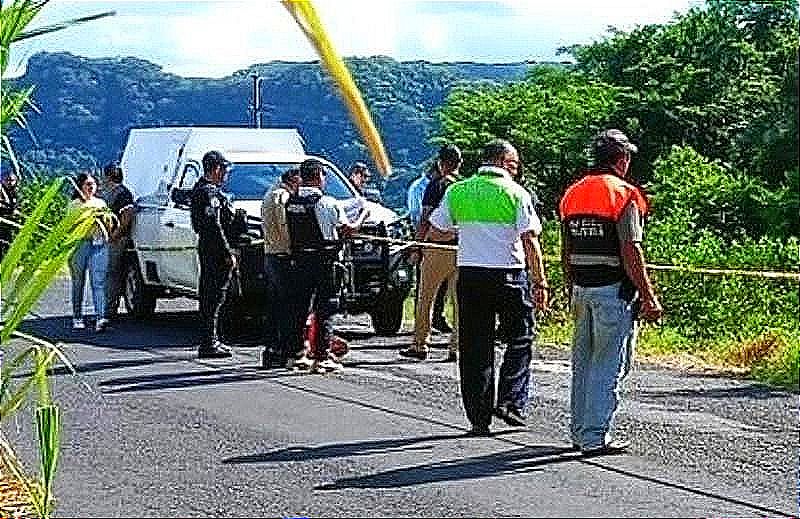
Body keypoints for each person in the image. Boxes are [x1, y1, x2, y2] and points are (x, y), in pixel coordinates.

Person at [428, 139, 549, 436]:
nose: (517, 169)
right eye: (515, 163)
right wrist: (540, 281)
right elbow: (530, 241)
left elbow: (437, 231)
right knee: (521, 337)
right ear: (505, 163)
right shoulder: (515, 193)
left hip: (470, 276)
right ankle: (509, 401)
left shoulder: (458, 190)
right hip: (509, 276)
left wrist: (468, 233)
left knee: (474, 346)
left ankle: (478, 419)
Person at [559, 129, 663, 454]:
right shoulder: (624, 194)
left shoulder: (572, 193)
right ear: (622, 160)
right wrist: (648, 296)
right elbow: (631, 249)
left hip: (581, 289)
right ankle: (594, 437)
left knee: (584, 364)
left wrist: (569, 285)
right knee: (608, 364)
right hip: (612, 292)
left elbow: (566, 248)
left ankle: (579, 433)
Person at [285, 159, 367, 373]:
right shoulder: (326, 203)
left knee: (299, 307)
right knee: (325, 308)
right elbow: (347, 230)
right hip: (324, 260)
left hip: (299, 259)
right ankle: (321, 356)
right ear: (319, 176)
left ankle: (296, 354)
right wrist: (362, 217)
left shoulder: (292, 201)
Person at [400, 144, 462, 362]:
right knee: (458, 300)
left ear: (440, 162)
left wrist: (417, 245)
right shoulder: (463, 187)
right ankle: (456, 346)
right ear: (459, 163)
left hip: (436, 247)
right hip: (460, 248)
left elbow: (425, 218)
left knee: (425, 297)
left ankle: (420, 343)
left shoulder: (436, 186)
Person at [190, 151, 236, 359]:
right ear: (216, 168)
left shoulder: (206, 190)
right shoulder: (207, 192)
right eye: (225, 169)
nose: (226, 174)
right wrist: (227, 252)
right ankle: (209, 342)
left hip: (210, 247)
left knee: (214, 296)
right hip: (214, 250)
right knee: (213, 296)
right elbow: (213, 226)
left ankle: (212, 339)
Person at [260, 167, 303, 369]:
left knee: (274, 305)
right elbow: (284, 224)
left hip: (270, 254)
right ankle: (282, 349)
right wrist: (293, 248)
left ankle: (272, 348)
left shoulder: (270, 192)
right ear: (293, 181)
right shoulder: (282, 196)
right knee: (286, 306)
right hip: (281, 255)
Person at [406, 160, 450, 333]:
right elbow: (419, 216)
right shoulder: (419, 187)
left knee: (443, 286)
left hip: (441, 240)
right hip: (426, 239)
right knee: (425, 288)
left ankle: (437, 318)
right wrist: (418, 244)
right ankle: (422, 328)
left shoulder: (446, 185)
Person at [69, 172, 114, 332]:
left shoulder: (101, 203)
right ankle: (77, 316)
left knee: (98, 282)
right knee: (78, 282)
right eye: (87, 184)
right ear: (80, 186)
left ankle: (100, 317)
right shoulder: (74, 205)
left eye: (93, 184)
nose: (90, 187)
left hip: (98, 244)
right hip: (79, 244)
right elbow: (70, 226)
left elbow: (108, 225)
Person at [100, 162, 134, 321]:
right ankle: (107, 307)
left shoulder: (122, 194)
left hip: (118, 239)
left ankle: (109, 309)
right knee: (109, 272)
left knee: (111, 273)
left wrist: (115, 235)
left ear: (108, 177)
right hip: (111, 238)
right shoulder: (112, 192)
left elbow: (127, 215)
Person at [0, 170, 19, 259]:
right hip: (2, 222)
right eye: (8, 180)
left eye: (12, 180)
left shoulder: (13, 192)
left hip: (8, 225)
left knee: (7, 246)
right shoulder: (1, 189)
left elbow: (15, 206)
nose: (11, 183)